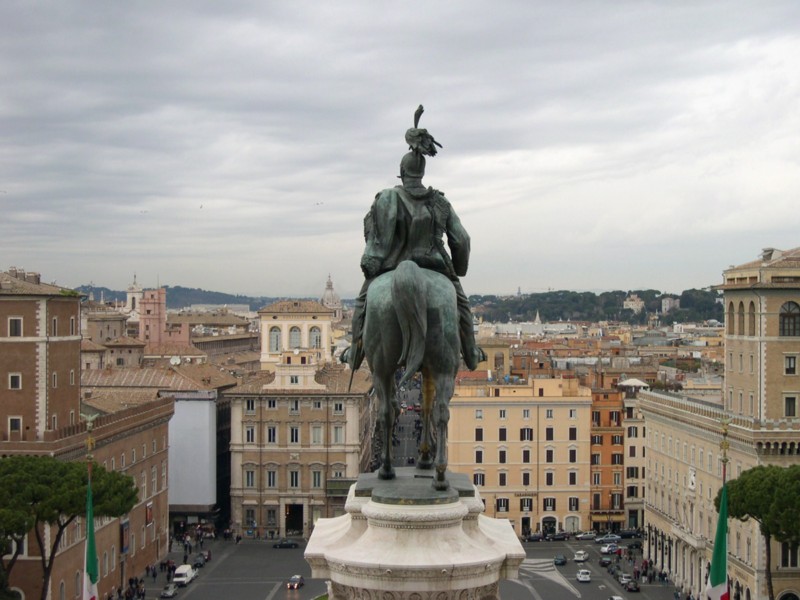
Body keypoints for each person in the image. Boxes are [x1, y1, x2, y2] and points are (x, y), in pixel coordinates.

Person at [343, 106, 485, 373]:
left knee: (362, 303)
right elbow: (462, 239)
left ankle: (354, 351)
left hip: (389, 268)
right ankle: (471, 352)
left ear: (402, 171)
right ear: (421, 173)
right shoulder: (439, 202)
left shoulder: (387, 198)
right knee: (462, 307)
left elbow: (375, 244)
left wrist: (372, 263)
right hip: (435, 266)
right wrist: (459, 269)